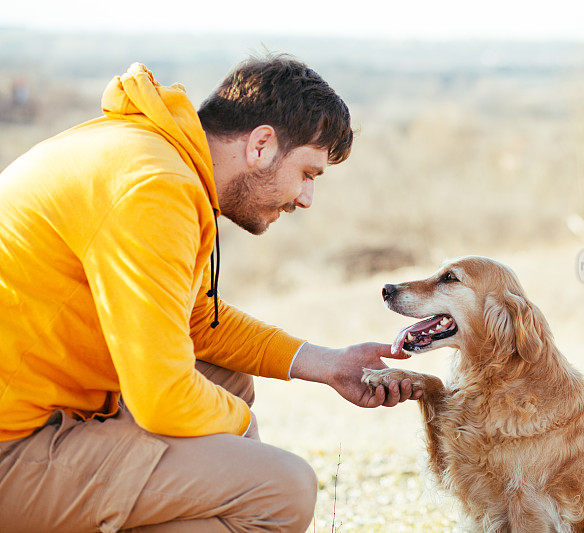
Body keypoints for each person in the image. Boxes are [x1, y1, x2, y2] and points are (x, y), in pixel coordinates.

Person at [0, 56, 419, 532]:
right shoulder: (154, 189)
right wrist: (242, 429)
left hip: (36, 410)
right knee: (283, 490)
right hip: (12, 445)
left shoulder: (154, 154)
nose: (306, 198)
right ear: (261, 145)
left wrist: (323, 363)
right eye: (308, 173)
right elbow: (162, 396)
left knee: (225, 378)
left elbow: (196, 320)